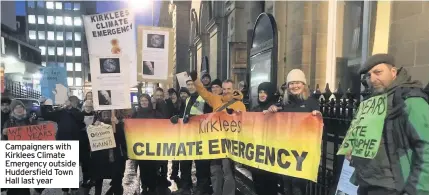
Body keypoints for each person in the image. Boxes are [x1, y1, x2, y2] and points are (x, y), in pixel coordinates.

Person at [347, 54, 429, 195]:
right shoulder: (370, 103)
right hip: (365, 184)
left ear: (393, 72)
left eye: (378, 72)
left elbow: (426, 149)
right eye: (368, 75)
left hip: (393, 188)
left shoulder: (411, 101)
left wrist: (416, 191)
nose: (372, 79)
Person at [189, 71, 247, 195]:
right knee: (215, 170)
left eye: (229, 89)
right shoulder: (215, 99)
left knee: (227, 172)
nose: (226, 91)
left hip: (229, 144)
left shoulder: (240, 105)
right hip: (215, 142)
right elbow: (203, 92)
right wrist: (195, 79)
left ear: (234, 89)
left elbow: (242, 124)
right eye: (224, 88)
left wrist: (235, 114)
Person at [267, 69, 320, 195]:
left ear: (304, 84)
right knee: (286, 186)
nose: (295, 86)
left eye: (298, 83)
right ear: (287, 86)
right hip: (286, 150)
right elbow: (274, 116)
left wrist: (317, 116)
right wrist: (272, 109)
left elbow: (320, 124)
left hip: (302, 152)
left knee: (298, 187)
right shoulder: (285, 103)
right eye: (291, 83)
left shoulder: (311, 102)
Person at [40, 96, 85, 195]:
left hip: (75, 144)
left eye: (73, 102)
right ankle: (65, 190)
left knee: (73, 167)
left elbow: (80, 118)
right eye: (70, 101)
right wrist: (43, 105)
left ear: (76, 103)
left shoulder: (78, 113)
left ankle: (74, 189)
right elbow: (46, 115)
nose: (70, 103)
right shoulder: (61, 112)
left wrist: (70, 109)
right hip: (62, 143)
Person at [170, 79, 207, 195]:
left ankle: (201, 187)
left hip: (200, 136)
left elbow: (208, 116)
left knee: (201, 164)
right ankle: (186, 187)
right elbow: (183, 115)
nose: (190, 87)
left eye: (192, 84)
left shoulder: (204, 98)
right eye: (188, 85)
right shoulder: (188, 99)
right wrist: (177, 117)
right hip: (187, 136)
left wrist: (192, 116)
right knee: (185, 162)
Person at [1, 100, 45, 195]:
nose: (19, 109)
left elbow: (40, 137)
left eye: (20, 107)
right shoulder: (8, 123)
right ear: (13, 110)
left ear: (24, 109)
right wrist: (4, 134)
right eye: (16, 108)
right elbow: (4, 143)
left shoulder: (31, 121)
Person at [132, 94, 169, 195]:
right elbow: (129, 127)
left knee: (153, 167)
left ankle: (152, 188)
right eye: (141, 100)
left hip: (152, 147)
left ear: (149, 102)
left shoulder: (155, 113)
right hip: (141, 147)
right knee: (143, 168)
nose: (144, 102)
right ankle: (144, 186)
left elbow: (163, 124)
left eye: (145, 100)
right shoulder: (135, 114)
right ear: (139, 102)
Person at [250, 82, 280, 195]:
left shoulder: (276, 109)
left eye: (265, 92)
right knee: (258, 184)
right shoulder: (255, 109)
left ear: (271, 94)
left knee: (270, 185)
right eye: (260, 92)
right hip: (256, 154)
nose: (262, 95)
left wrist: (274, 111)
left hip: (270, 155)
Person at [88, 110, 127, 195]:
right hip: (100, 157)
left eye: (108, 113)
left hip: (114, 156)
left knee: (117, 178)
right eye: (104, 113)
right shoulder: (96, 124)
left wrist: (118, 125)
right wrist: (94, 127)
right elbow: (90, 138)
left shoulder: (118, 123)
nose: (106, 115)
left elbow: (122, 139)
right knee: (99, 177)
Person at [80, 100, 95, 192]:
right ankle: (85, 179)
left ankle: (92, 178)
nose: (88, 108)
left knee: (93, 161)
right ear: (84, 106)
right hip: (83, 141)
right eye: (86, 106)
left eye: (90, 106)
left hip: (93, 140)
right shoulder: (80, 115)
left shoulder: (95, 115)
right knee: (85, 161)